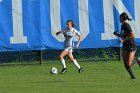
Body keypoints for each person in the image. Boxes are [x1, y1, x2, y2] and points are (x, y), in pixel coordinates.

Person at [113, 12, 140, 79]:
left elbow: (132, 36)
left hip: (131, 45)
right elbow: (124, 36)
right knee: (125, 63)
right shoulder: (122, 26)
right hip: (125, 46)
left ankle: (137, 60)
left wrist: (123, 40)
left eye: (120, 17)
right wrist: (117, 35)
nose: (119, 19)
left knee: (129, 64)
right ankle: (133, 77)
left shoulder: (126, 25)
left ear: (122, 18)